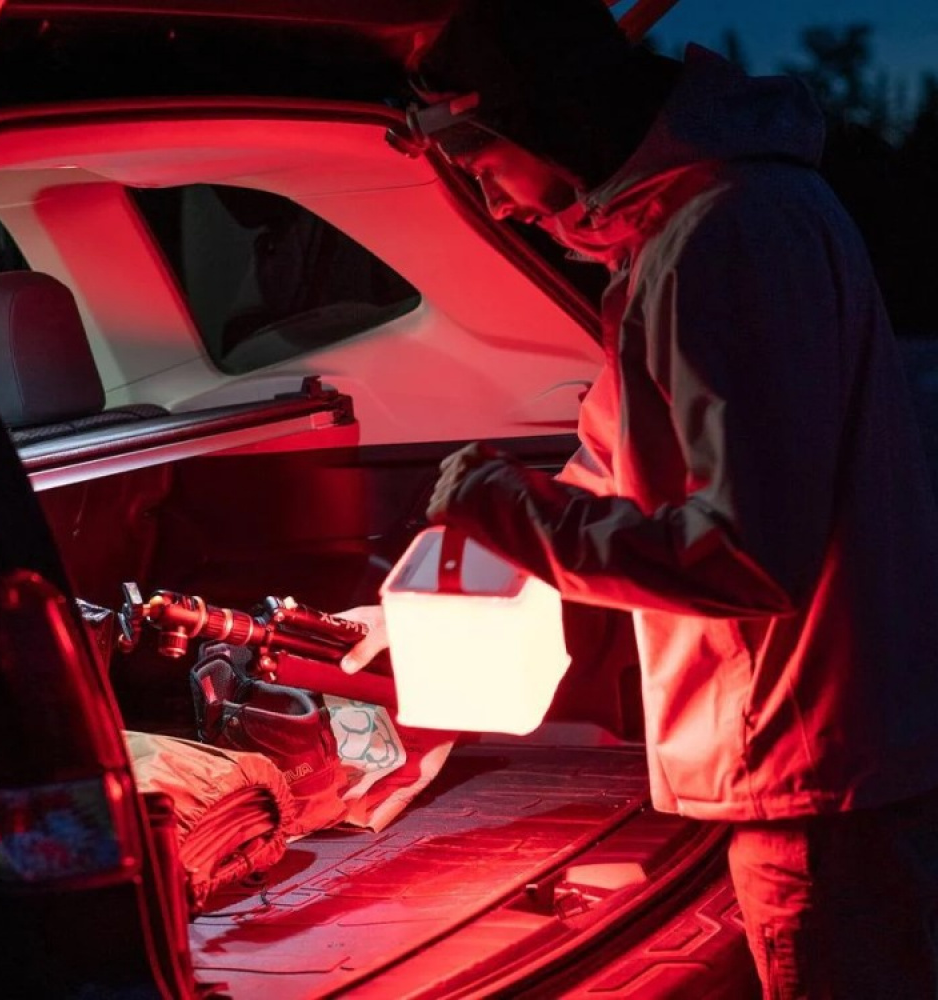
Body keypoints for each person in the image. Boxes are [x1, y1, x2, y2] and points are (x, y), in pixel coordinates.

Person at [338, 1, 938, 997]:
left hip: (817, 788)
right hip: (830, 769)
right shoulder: (707, 226)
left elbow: (744, 556)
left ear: (539, 120)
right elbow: (615, 477)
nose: (498, 208)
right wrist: (440, 597)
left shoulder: (721, 241)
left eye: (486, 171)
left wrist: (496, 506)